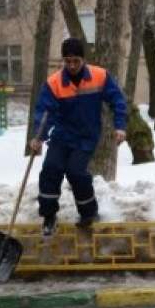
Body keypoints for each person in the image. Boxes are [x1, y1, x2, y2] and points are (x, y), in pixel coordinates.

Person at [31, 37, 127, 236]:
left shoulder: (100, 76)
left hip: (86, 137)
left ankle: (88, 213)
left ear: (83, 59)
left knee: (75, 172)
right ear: (63, 61)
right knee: (51, 168)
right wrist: (38, 137)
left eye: (76, 61)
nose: (72, 65)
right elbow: (43, 113)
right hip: (62, 136)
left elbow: (117, 100)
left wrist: (120, 126)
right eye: (68, 61)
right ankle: (49, 216)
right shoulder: (54, 83)